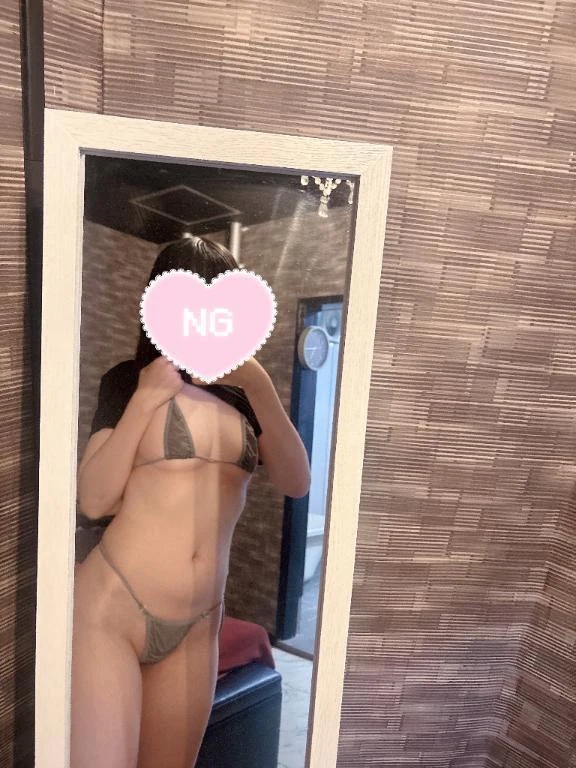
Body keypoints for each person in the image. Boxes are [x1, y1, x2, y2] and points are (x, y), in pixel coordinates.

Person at [71, 235, 311, 768]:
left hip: (199, 623)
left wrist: (259, 383)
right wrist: (145, 399)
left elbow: (296, 481)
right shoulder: (128, 381)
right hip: (114, 610)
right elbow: (94, 499)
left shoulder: (246, 398)